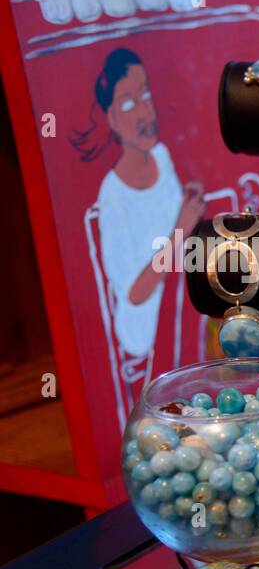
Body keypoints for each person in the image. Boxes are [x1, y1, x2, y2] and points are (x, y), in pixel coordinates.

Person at [73, 47, 204, 360]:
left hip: (181, 300)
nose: (145, 111)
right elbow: (136, 292)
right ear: (113, 119)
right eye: (129, 103)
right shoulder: (113, 195)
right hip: (149, 328)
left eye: (145, 95)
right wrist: (182, 229)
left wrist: (187, 205)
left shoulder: (161, 156)